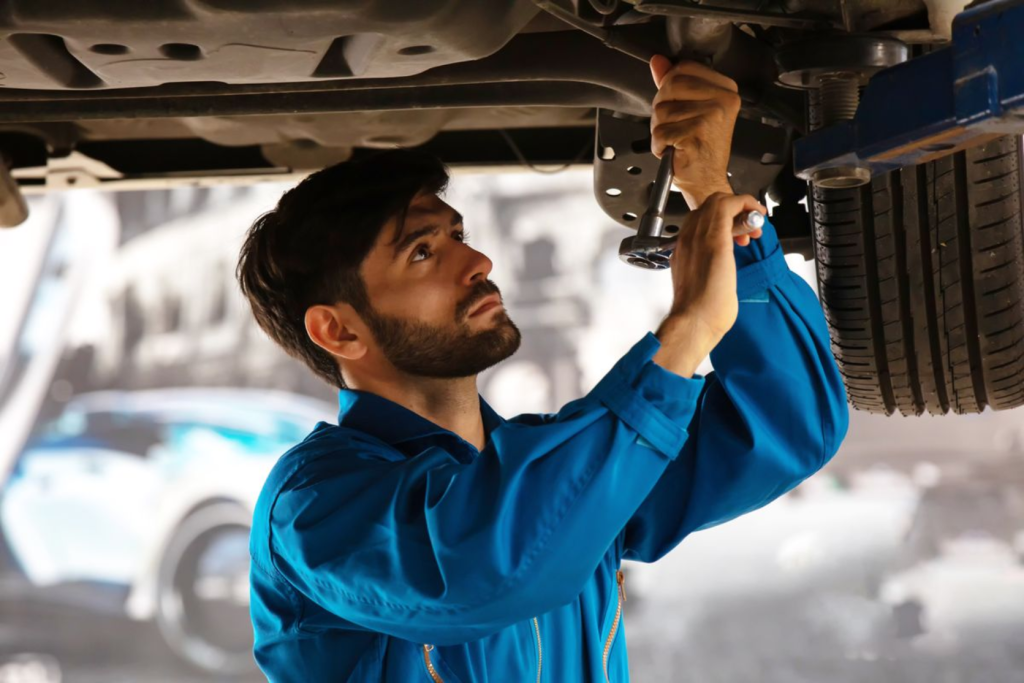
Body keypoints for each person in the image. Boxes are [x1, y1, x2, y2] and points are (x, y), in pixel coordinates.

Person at [237, 55, 849, 682]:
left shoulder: (557, 470)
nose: (476, 260)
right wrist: (685, 332)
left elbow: (789, 425)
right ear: (337, 329)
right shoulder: (313, 506)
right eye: (422, 251)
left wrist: (712, 198)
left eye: (457, 235)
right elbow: (478, 571)